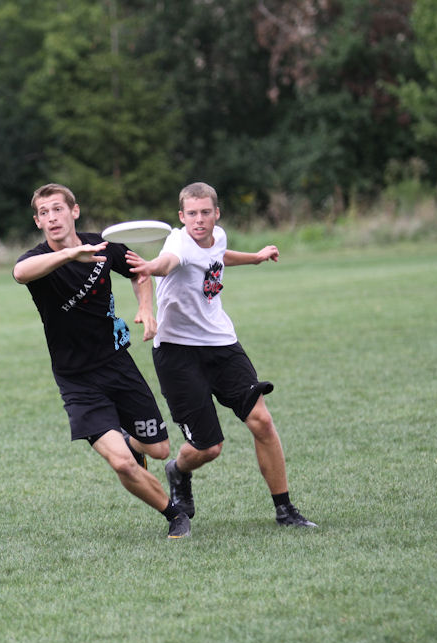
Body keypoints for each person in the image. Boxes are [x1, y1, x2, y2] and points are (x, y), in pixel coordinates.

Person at [125, 182, 317, 528]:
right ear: (181, 216)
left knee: (261, 420)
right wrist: (149, 266)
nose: (199, 220)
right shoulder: (178, 242)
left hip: (221, 343)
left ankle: (285, 510)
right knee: (208, 448)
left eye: (205, 212)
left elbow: (218, 256)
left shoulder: (219, 236)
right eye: (192, 214)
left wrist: (254, 258)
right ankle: (178, 470)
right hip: (177, 352)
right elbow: (167, 264)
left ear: (217, 213)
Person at [13, 182, 191, 539]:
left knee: (159, 450)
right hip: (76, 379)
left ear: (74, 211)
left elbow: (140, 271)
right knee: (122, 464)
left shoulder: (104, 246)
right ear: (38, 222)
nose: (52, 218)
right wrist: (69, 256)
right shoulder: (38, 259)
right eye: (44, 213)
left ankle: (128, 440)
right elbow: (21, 273)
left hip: (117, 365)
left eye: (58, 209)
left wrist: (145, 307)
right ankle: (175, 515)